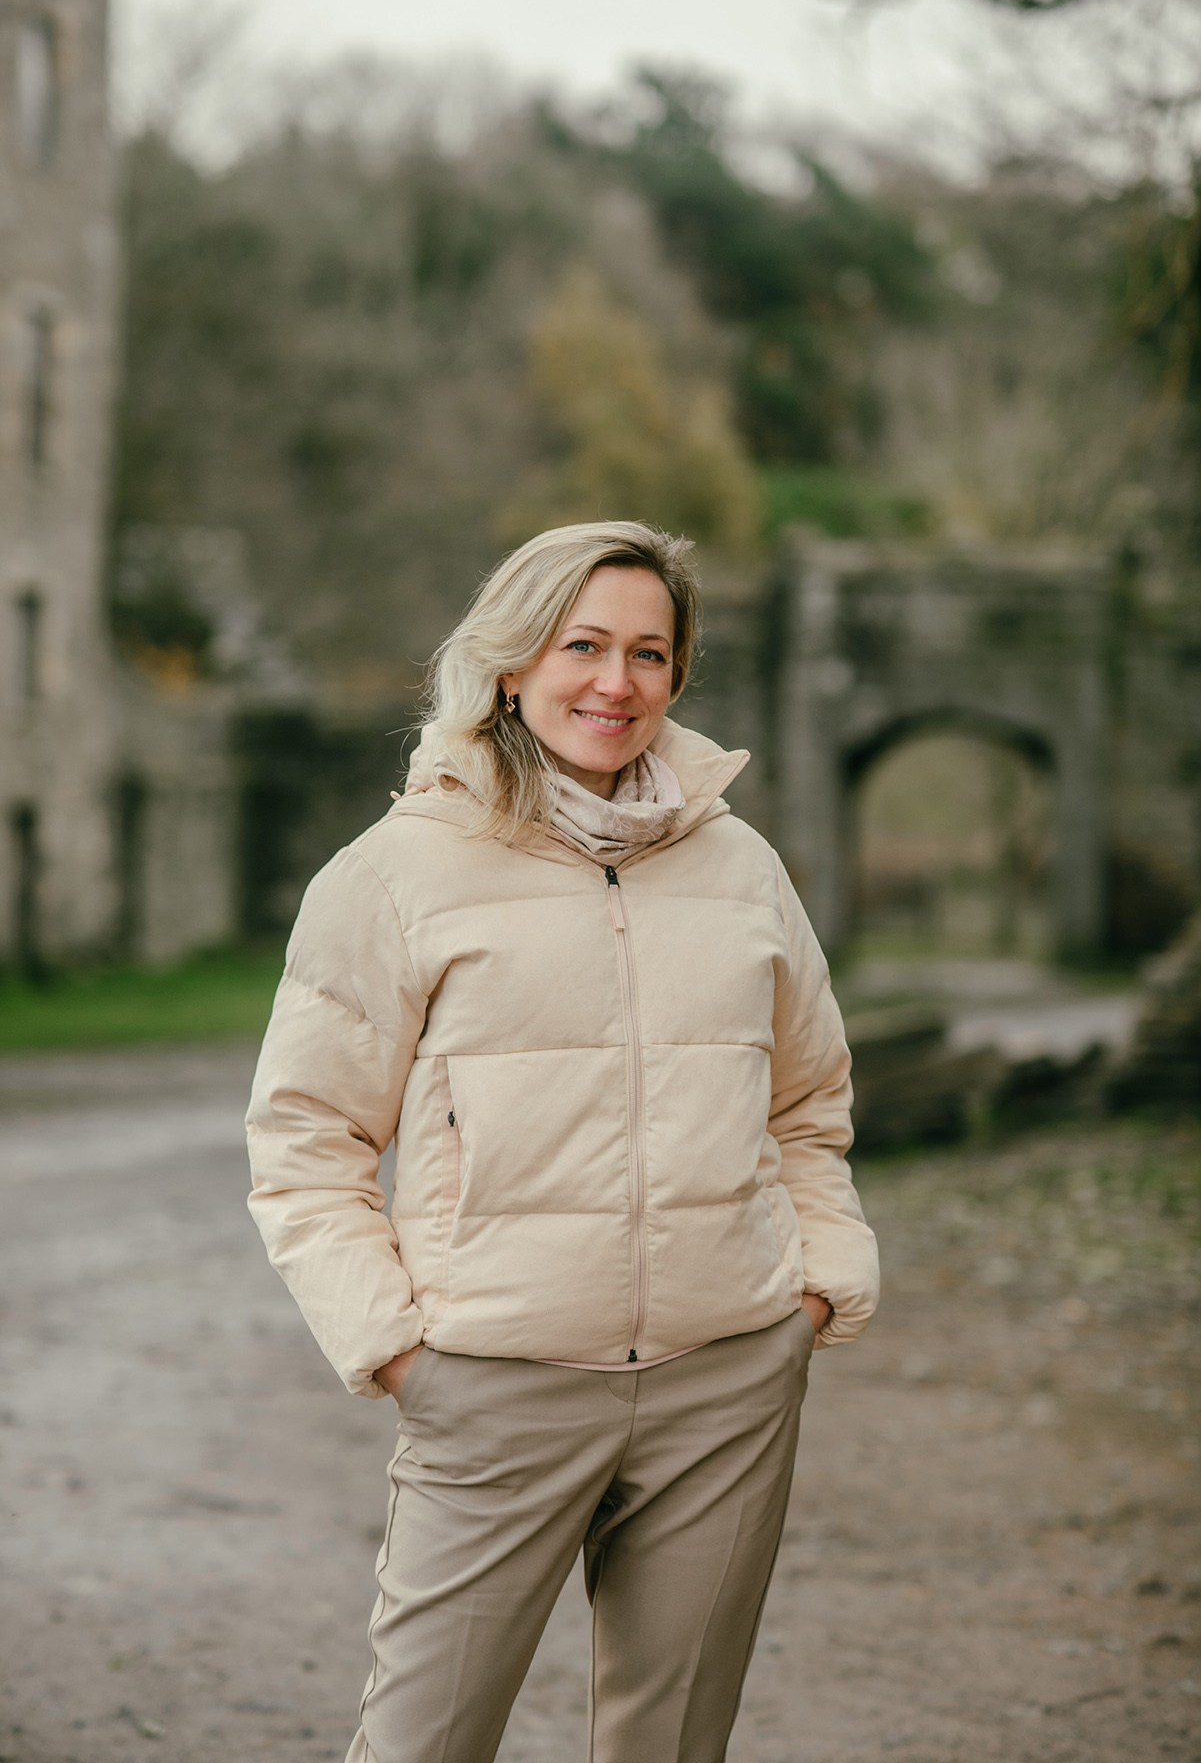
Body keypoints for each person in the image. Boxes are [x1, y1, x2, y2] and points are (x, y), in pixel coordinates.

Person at [246, 520, 879, 1763]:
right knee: (423, 1743)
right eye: (582, 644)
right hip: (494, 1383)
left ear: (678, 677)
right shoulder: (392, 876)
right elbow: (306, 1142)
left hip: (726, 1381)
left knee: (673, 1745)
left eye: (650, 653)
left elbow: (807, 1104)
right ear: (510, 662)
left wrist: (810, 1291)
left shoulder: (743, 871)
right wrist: (398, 1348)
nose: (615, 681)